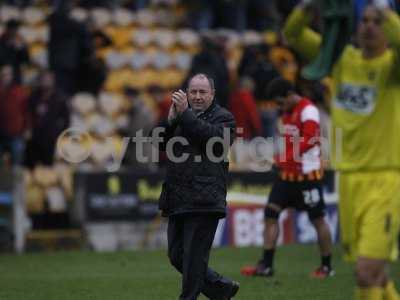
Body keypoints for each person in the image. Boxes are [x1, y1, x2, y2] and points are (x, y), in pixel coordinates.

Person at [283, 1, 400, 299]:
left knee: (365, 271)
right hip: (347, 178)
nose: (370, 26)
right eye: (366, 21)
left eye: (378, 22)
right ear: (355, 27)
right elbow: (293, 35)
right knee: (373, 274)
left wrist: (386, 13)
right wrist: (306, 8)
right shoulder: (341, 60)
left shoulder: (392, 68)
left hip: (385, 179)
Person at [152, 73, 239, 300]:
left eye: (202, 92)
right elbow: (155, 142)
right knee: (177, 256)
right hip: (177, 197)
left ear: (212, 94)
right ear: (187, 94)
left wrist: (185, 115)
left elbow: (213, 140)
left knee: (193, 258)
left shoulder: (225, 118)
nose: (198, 96)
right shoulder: (181, 116)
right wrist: (170, 121)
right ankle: (221, 289)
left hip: (205, 199)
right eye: (193, 92)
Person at [240, 77, 334, 279]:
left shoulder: (308, 110)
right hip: (287, 176)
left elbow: (310, 140)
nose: (279, 106)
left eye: (281, 102)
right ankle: (266, 265)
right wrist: (278, 158)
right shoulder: (286, 113)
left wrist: (285, 159)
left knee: (318, 219)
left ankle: (326, 267)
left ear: (290, 95)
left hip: (308, 177)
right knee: (270, 214)